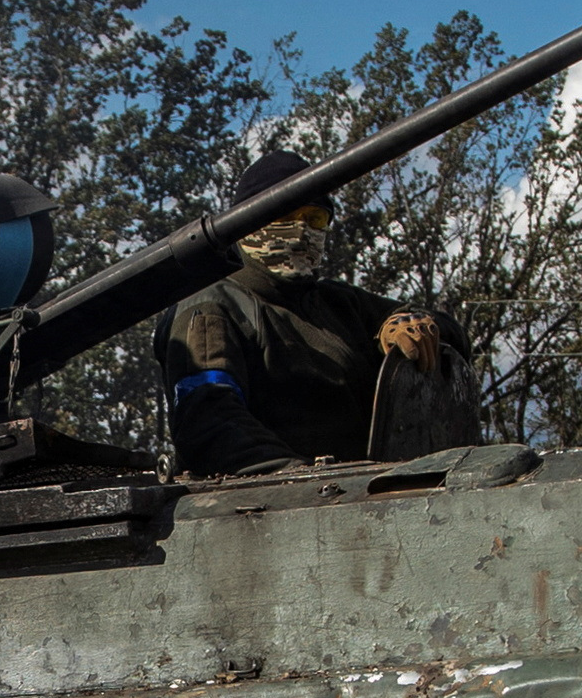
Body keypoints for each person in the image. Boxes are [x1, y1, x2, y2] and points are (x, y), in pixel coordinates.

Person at [161, 147, 465, 473]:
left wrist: (407, 324)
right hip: (266, 508)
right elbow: (209, 421)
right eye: (284, 215)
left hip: (368, 495)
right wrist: (298, 477)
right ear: (245, 223)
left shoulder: (338, 303)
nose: (302, 229)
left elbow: (451, 339)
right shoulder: (212, 308)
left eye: (315, 218)